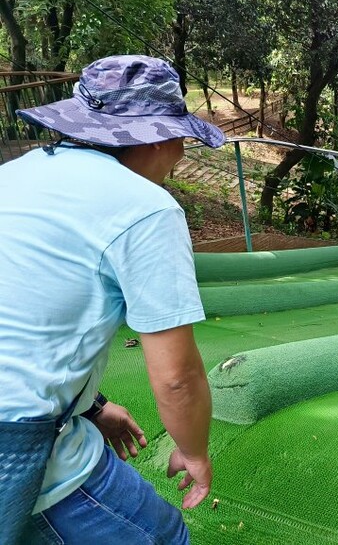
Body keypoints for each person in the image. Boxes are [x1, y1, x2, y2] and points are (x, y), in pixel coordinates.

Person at [0, 55, 226, 544]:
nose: (181, 158)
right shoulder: (146, 208)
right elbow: (177, 378)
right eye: (180, 141)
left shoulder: (13, 174)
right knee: (161, 535)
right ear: (156, 138)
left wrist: (92, 406)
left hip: (34, 416)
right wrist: (194, 452)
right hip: (17, 443)